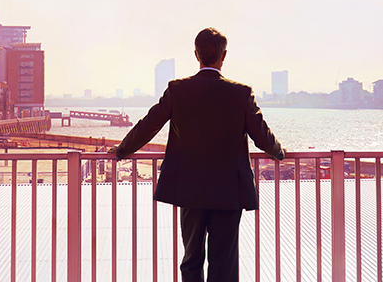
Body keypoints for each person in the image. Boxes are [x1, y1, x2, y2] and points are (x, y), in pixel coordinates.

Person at [112, 27, 285, 282]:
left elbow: (148, 125)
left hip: (189, 188)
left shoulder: (178, 90)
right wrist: (280, 152)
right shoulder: (240, 93)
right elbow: (262, 135)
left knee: (191, 259)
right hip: (229, 190)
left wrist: (122, 150)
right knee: (224, 262)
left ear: (196, 54)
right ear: (223, 56)